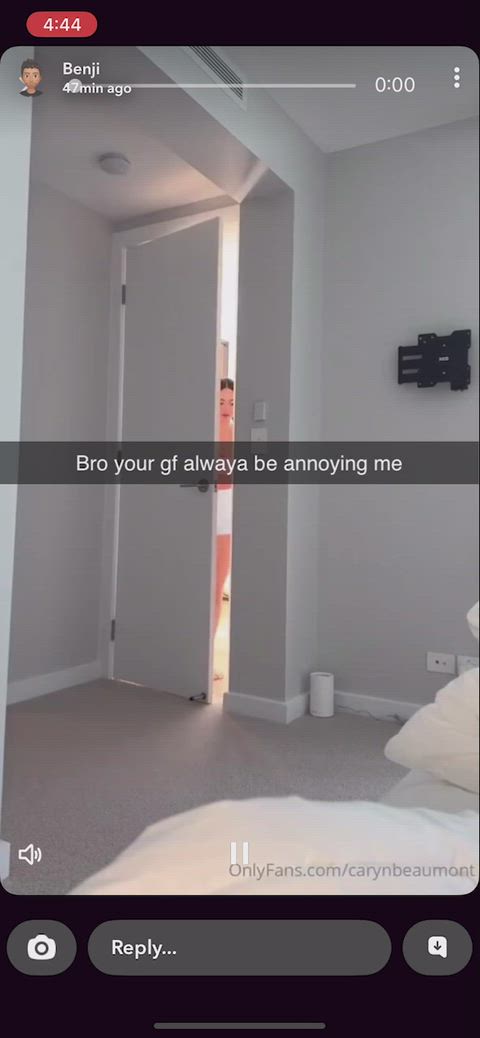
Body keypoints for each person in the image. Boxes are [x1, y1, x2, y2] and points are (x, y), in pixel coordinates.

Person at [214, 378, 234, 679]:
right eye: (221, 402)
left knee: (218, 584)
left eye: (231, 402)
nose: (226, 408)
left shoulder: (235, 430)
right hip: (208, 500)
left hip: (226, 508)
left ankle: (205, 653)